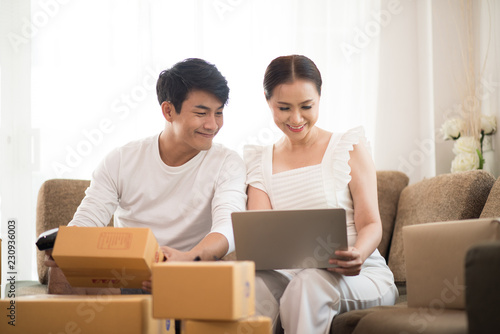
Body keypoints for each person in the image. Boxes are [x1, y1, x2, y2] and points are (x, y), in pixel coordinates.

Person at [45, 58, 247, 295]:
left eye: (219, 113)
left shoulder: (227, 163)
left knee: (225, 279)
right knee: (61, 272)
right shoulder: (121, 160)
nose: (213, 125)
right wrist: (67, 248)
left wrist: (188, 259)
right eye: (202, 113)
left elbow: (228, 226)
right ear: (168, 110)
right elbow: (87, 221)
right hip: (128, 274)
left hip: (188, 272)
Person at [245, 55, 398, 333]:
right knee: (249, 285)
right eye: (283, 108)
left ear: (319, 98)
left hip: (358, 275)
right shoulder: (259, 161)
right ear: (268, 102)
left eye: (306, 106)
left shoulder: (347, 148)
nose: (296, 118)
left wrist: (358, 254)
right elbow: (260, 238)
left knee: (308, 285)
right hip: (291, 277)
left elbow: (371, 224)